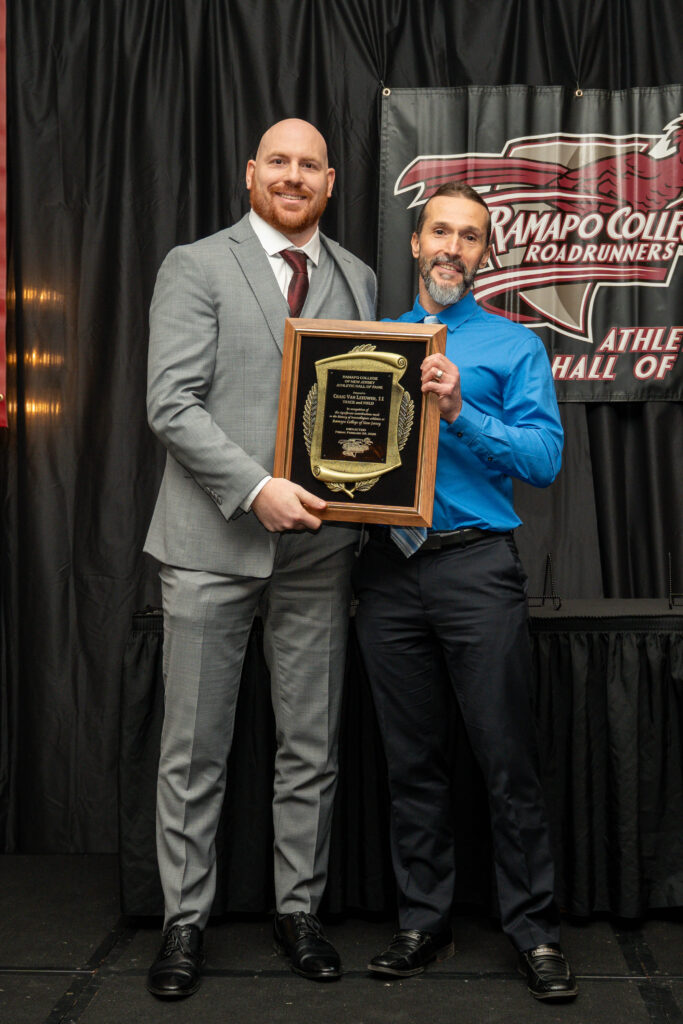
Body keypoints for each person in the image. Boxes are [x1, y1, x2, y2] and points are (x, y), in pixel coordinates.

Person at [144, 118, 376, 998]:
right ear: (251, 174)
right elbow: (171, 404)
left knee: (309, 747)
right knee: (194, 748)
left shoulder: (356, 278)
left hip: (320, 552)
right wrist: (254, 488)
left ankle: (299, 911)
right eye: (276, 162)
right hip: (211, 545)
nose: (292, 176)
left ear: (327, 182)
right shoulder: (196, 265)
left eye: (307, 165)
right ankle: (183, 922)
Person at [353, 181, 577, 1001]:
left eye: (470, 236)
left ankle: (534, 931)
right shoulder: (369, 343)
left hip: (475, 568)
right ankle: (422, 922)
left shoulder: (513, 347)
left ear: (485, 254)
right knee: (410, 761)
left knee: (504, 757)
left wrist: (458, 413)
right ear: (414, 243)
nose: (451, 247)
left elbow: (544, 462)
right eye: (439, 231)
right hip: (386, 571)